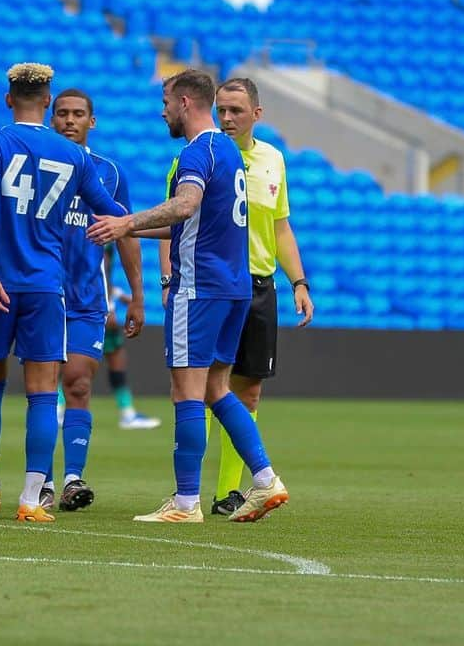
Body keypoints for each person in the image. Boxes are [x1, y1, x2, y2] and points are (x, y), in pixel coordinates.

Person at [88, 70, 289, 524]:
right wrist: (128, 224)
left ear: (183, 102)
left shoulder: (196, 153)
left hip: (199, 290)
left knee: (186, 392)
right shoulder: (230, 153)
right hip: (235, 288)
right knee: (218, 389)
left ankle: (185, 504)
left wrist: (125, 224)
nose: (162, 112)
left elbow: (184, 206)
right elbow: (190, 223)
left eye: (165, 102)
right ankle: (265, 479)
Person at [0, 63, 127, 523]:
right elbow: (111, 212)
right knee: (42, 392)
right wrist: (163, 221)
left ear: (7, 98)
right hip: (44, 286)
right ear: (48, 102)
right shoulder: (75, 158)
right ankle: (31, 499)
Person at [207, 77, 313, 515]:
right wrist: (167, 276)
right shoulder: (205, 154)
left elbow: (280, 227)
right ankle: (190, 491)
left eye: (236, 110)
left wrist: (300, 283)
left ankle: (227, 492)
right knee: (206, 388)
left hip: (259, 287)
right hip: (214, 285)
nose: (227, 118)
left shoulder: (273, 160)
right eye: (222, 110)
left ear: (257, 114)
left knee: (247, 393)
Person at [39, 88, 146, 512]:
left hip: (86, 298)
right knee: (44, 390)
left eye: (78, 114)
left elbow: (127, 233)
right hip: (42, 295)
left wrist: (137, 295)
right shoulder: (37, 167)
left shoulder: (110, 174)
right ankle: (41, 481)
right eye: (61, 113)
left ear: (92, 121)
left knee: (78, 383)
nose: (69, 120)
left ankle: (71, 479)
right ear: (51, 120)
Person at [101, 246, 161, 430]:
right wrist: (109, 306)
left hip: (95, 302)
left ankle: (127, 412)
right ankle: (127, 413)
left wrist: (117, 294)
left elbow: (103, 271)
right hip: (93, 308)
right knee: (79, 363)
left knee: (114, 358)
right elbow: (99, 269)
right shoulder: (98, 233)